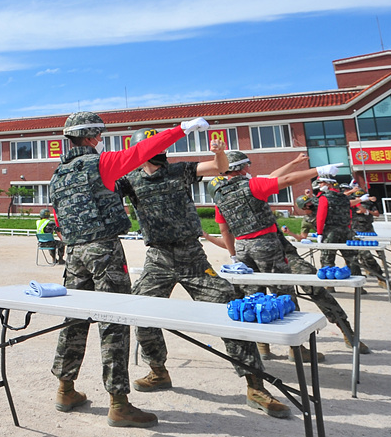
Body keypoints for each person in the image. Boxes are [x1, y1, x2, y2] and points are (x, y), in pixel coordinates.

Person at [46, 110, 209, 428]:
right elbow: (142, 152)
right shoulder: (100, 163)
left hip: (75, 253)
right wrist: (181, 129)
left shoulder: (57, 176)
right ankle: (119, 404)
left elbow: (59, 219)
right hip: (104, 250)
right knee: (115, 323)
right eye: (100, 136)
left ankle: (65, 389)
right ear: (93, 137)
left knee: (74, 321)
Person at [115, 133, 289, 419]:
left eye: (160, 147)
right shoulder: (129, 180)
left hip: (192, 257)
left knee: (230, 307)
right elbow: (104, 184)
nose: (157, 152)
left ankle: (255, 386)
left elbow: (217, 168)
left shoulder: (178, 170)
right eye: (150, 147)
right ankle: (158, 370)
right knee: (141, 310)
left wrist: (220, 152)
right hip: (158, 258)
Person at [210, 151, 367, 357]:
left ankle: (263, 346)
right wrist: (317, 170)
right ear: (242, 167)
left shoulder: (222, 196)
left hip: (244, 250)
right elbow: (283, 180)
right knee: (298, 290)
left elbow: (225, 230)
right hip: (273, 247)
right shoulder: (252, 186)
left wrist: (293, 162)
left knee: (254, 297)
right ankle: (316, 342)